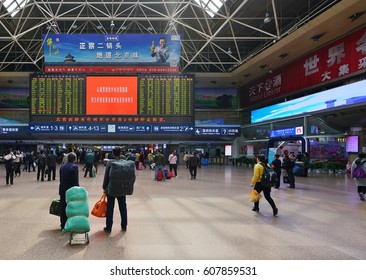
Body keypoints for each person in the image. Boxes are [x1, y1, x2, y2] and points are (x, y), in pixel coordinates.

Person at [102, 148, 129, 232]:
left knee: (110, 208)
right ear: (120, 153)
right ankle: (124, 226)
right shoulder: (124, 163)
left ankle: (109, 227)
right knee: (123, 207)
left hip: (111, 188)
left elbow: (106, 176)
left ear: (113, 153)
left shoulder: (110, 163)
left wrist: (104, 187)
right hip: (122, 188)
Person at [59, 152, 79, 230]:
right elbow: (75, 181)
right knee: (72, 208)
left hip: (62, 190)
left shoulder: (62, 167)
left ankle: (63, 225)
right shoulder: (74, 167)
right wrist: (77, 191)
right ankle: (71, 224)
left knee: (63, 207)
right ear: (74, 159)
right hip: (71, 192)